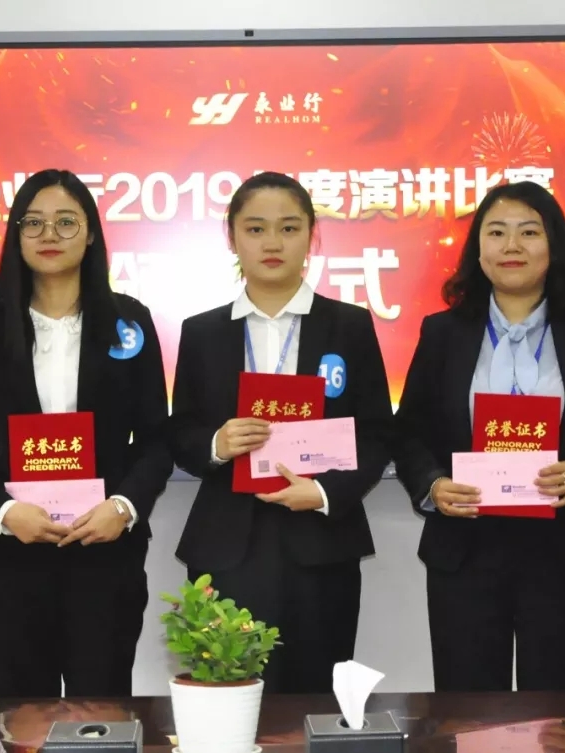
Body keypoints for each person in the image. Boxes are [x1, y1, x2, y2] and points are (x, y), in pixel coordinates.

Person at [391, 180, 565, 692]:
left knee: (557, 712)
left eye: (529, 232)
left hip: (563, 552)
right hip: (465, 550)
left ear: (553, 245)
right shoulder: (442, 333)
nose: (511, 246)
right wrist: (433, 484)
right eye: (496, 232)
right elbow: (409, 432)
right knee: (469, 712)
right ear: (478, 249)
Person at [167, 171, 394, 694]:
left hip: (321, 541)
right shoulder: (202, 331)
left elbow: (378, 433)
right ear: (231, 237)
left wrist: (324, 492)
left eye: (289, 228)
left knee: (314, 699)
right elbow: (180, 431)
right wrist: (216, 444)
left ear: (312, 236)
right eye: (256, 229)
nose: (272, 243)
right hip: (227, 543)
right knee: (228, 696)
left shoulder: (349, 325)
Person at [0, 169, 172, 698]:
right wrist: (5, 512)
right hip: (14, 557)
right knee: (24, 716)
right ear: (16, 235)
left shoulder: (129, 323)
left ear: (90, 233)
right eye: (34, 223)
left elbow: (158, 440)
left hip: (105, 554)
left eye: (66, 222)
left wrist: (122, 507)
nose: (49, 235)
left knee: (103, 713)